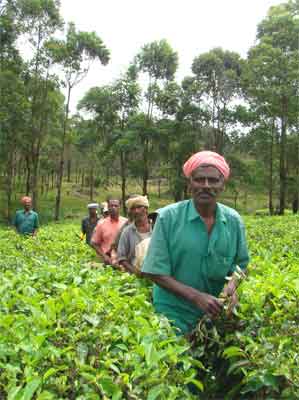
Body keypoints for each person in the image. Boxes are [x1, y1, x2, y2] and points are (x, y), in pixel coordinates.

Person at [142, 151, 249, 335]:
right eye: (200, 179)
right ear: (190, 183)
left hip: (215, 313)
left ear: (223, 184)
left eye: (213, 180)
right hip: (173, 313)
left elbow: (241, 266)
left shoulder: (233, 221)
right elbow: (154, 272)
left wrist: (232, 287)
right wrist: (196, 297)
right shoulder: (168, 218)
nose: (206, 186)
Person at [117, 195, 152, 274]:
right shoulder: (127, 232)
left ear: (146, 209)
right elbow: (121, 258)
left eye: (139, 207)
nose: (136, 211)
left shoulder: (157, 228)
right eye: (133, 208)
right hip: (135, 276)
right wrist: (136, 272)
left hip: (157, 276)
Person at [91, 198, 127, 265]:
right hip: (107, 261)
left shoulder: (126, 222)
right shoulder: (101, 224)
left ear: (120, 207)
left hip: (124, 261)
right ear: (108, 207)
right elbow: (94, 243)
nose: (113, 208)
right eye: (111, 206)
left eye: (116, 206)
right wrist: (104, 256)